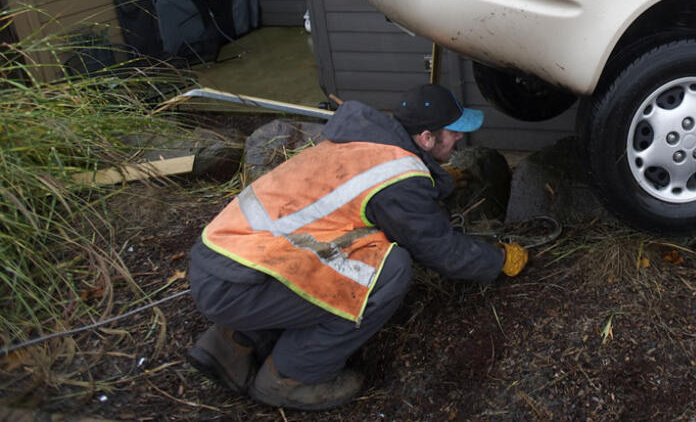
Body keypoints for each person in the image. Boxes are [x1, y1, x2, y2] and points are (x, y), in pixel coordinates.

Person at [185, 83, 528, 411]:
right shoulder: (398, 176)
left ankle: (234, 343)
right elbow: (441, 251)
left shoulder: (360, 141)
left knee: (322, 257)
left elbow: (372, 190)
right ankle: (291, 377)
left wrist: (439, 180)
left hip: (223, 259)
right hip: (239, 286)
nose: (458, 138)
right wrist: (496, 259)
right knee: (385, 271)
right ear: (426, 138)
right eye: (452, 132)